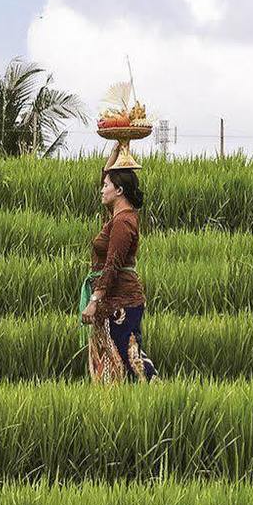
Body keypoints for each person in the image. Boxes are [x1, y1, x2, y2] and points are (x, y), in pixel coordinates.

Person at [82, 148, 155, 382]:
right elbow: (106, 174)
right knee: (109, 362)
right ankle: (117, 407)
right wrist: (117, 147)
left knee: (130, 358)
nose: (102, 189)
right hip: (112, 300)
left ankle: (159, 394)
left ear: (120, 190)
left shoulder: (123, 222)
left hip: (122, 301)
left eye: (106, 185)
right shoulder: (118, 215)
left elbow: (113, 264)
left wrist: (94, 301)